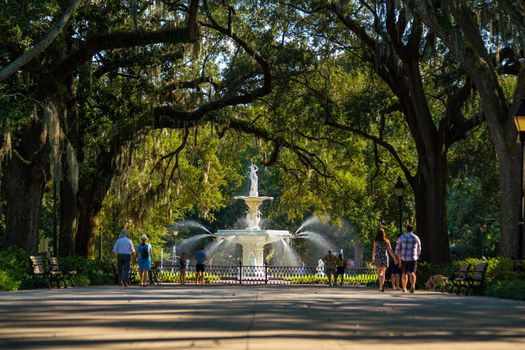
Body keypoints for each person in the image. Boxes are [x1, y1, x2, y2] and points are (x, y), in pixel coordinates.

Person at [395, 224, 422, 293]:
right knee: (412, 273)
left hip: (404, 258)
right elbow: (419, 248)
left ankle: (404, 288)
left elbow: (397, 248)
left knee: (404, 273)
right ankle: (412, 286)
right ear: (412, 229)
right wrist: (418, 255)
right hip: (413, 258)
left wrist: (397, 257)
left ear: (406, 229)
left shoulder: (402, 237)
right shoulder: (416, 237)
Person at [372, 228, 397, 292]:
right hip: (385, 257)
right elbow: (390, 250)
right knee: (383, 272)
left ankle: (380, 286)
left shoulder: (376, 241)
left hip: (378, 257)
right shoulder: (387, 241)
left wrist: (373, 258)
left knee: (379, 272)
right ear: (384, 234)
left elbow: (374, 250)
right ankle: (382, 285)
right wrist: (394, 258)